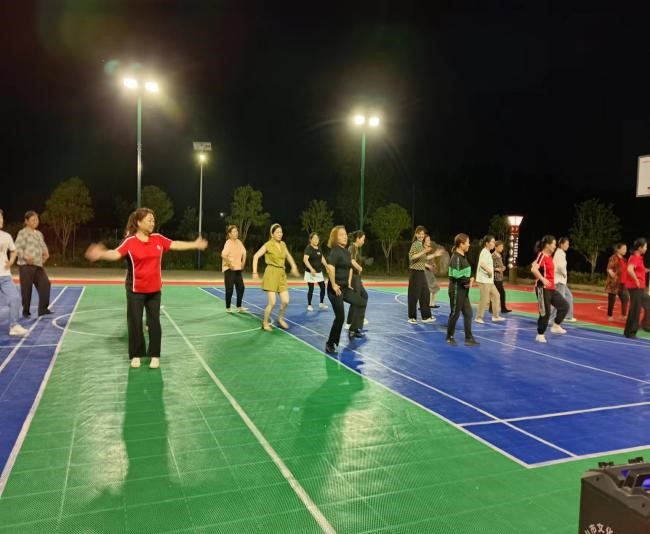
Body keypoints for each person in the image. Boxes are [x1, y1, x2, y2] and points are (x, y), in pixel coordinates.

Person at [85, 207, 208, 368]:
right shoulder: (130, 242)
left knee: (154, 322)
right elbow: (115, 254)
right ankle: (136, 354)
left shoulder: (158, 239)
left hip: (154, 290)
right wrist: (101, 254)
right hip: (135, 290)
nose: (152, 223)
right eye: (149, 220)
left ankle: (155, 355)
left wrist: (195, 244)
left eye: (153, 220)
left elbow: (175, 244)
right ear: (138, 222)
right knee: (135, 323)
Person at [324, 225, 368, 354]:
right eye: (341, 235)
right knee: (340, 317)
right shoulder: (335, 251)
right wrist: (333, 285)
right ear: (335, 238)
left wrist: (349, 282)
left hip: (344, 288)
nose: (344, 237)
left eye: (345, 234)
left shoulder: (347, 253)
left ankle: (353, 329)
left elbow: (349, 268)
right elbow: (330, 268)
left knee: (361, 301)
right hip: (335, 290)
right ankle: (330, 343)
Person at [252, 223, 300, 331]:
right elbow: (256, 256)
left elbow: (288, 256)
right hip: (271, 273)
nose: (280, 234)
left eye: (281, 232)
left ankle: (280, 318)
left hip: (281, 274)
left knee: (286, 301)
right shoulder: (268, 244)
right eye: (277, 232)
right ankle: (265, 322)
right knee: (272, 302)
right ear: (272, 234)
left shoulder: (283, 244)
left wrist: (294, 266)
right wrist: (255, 272)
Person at [531, 235, 569, 343]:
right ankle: (540, 334)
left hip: (551, 288)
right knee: (545, 313)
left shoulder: (549, 257)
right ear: (547, 245)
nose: (555, 246)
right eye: (554, 244)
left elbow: (534, 265)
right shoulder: (542, 255)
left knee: (564, 306)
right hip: (542, 288)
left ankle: (556, 326)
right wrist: (543, 279)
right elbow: (534, 269)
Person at [14, 210, 51, 318]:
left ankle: (43, 309)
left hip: (38, 265)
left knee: (45, 284)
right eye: (33, 220)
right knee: (27, 289)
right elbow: (17, 248)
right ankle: (26, 311)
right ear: (26, 221)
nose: (36, 221)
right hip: (26, 266)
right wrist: (25, 257)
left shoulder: (39, 234)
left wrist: (46, 253)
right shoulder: (22, 233)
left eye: (37, 219)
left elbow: (43, 246)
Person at [446, 233, 479, 346]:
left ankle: (468, 338)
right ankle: (449, 336)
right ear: (461, 244)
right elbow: (455, 275)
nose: (469, 244)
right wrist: (467, 281)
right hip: (456, 290)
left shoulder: (464, 256)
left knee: (468, 313)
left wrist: (472, 278)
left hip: (463, 291)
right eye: (468, 242)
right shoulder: (455, 257)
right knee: (455, 313)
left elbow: (469, 271)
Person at [0, 209, 28, 336]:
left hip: (5, 275)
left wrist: (11, 261)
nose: (1, 220)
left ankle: (14, 326)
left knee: (15, 298)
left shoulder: (6, 236)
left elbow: (14, 250)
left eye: (2, 218)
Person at [407, 226, 435, 324]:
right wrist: (423, 251)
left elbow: (423, 259)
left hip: (421, 272)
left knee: (425, 293)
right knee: (414, 295)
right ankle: (412, 317)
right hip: (415, 272)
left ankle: (426, 316)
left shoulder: (422, 245)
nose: (421, 236)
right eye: (419, 234)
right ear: (416, 234)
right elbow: (411, 257)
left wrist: (434, 255)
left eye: (423, 234)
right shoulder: (415, 244)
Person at [475, 235, 504, 324]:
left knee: (496, 295)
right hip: (483, 280)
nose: (494, 243)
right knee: (484, 299)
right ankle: (478, 317)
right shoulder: (484, 252)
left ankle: (495, 316)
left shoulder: (488, 252)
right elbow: (482, 264)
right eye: (492, 242)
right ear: (487, 243)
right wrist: (489, 271)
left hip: (489, 280)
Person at [623, 237, 648, 339]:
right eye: (645, 247)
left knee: (643, 304)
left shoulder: (637, 257)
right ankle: (631, 332)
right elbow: (630, 269)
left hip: (638, 287)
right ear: (640, 247)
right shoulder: (635, 257)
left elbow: (638, 270)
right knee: (635, 309)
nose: (646, 249)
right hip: (636, 286)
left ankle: (629, 330)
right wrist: (636, 280)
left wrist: (645, 270)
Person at [549, 237, 576, 323]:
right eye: (566, 244)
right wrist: (564, 273)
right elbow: (560, 267)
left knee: (569, 296)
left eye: (568, 244)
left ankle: (568, 316)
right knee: (558, 301)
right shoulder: (560, 253)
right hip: (559, 281)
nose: (568, 245)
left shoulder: (560, 253)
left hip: (561, 281)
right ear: (561, 244)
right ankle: (551, 318)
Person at [221, 225, 248, 313]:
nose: (236, 233)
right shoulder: (228, 243)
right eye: (234, 232)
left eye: (237, 231)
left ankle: (239, 306)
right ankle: (228, 307)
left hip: (237, 269)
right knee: (230, 289)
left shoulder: (239, 242)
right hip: (229, 269)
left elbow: (244, 252)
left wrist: (243, 262)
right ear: (229, 234)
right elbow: (223, 255)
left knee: (241, 287)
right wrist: (229, 264)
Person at [346, 230, 368, 329]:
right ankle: (349, 322)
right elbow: (351, 261)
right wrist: (360, 268)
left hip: (356, 278)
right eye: (363, 239)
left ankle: (359, 318)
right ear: (358, 238)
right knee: (356, 299)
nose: (363, 241)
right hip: (354, 278)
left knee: (364, 296)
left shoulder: (355, 248)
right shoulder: (352, 247)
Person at [302, 232, 328, 311]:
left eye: (317, 238)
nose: (316, 240)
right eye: (315, 238)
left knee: (323, 287)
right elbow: (305, 260)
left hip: (318, 272)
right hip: (310, 273)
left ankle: (321, 303)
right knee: (311, 288)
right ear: (310, 240)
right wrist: (311, 268)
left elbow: (321, 257)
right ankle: (309, 305)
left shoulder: (319, 248)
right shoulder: (308, 248)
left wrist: (326, 266)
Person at [605, 243, 630, 321]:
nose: (625, 250)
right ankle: (610, 316)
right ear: (618, 250)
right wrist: (610, 272)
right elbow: (609, 268)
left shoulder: (624, 259)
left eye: (626, 249)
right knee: (612, 300)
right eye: (623, 249)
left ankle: (623, 315)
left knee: (625, 298)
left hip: (623, 283)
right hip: (614, 283)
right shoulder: (613, 258)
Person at [423, 235, 444, 309]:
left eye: (429, 239)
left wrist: (433, 264)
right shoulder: (422, 249)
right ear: (424, 241)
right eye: (427, 240)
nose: (429, 241)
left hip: (429, 271)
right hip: (425, 271)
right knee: (428, 288)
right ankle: (425, 304)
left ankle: (432, 304)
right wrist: (428, 265)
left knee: (434, 287)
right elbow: (421, 260)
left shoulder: (429, 249)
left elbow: (430, 259)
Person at [491, 240, 511, 313]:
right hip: (496, 278)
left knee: (501, 293)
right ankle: (493, 308)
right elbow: (490, 267)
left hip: (500, 277)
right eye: (501, 246)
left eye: (502, 246)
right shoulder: (493, 255)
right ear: (496, 247)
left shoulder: (499, 255)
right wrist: (497, 269)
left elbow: (501, 265)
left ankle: (503, 308)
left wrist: (503, 267)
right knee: (496, 294)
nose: (502, 248)